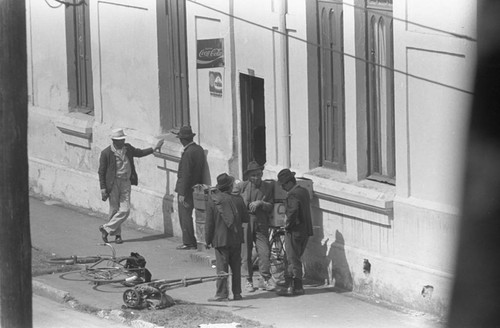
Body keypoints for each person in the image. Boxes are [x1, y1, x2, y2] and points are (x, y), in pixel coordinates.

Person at [98, 128, 163, 244]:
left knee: (125, 210)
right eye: (119, 140)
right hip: (113, 184)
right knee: (114, 209)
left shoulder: (128, 148)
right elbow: (101, 172)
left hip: (125, 182)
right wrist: (103, 188)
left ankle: (106, 229)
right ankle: (117, 235)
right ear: (113, 141)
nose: (122, 141)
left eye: (123, 139)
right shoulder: (106, 153)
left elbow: (139, 153)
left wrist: (153, 149)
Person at [205, 173, 249, 301]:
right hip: (236, 238)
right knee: (236, 267)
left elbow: (209, 224)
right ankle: (237, 293)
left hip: (220, 240)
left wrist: (208, 240)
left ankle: (222, 293)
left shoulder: (213, 201)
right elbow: (246, 218)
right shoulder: (238, 199)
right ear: (230, 186)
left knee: (222, 267)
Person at [233, 161, 276, 292]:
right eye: (253, 175)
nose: (256, 178)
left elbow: (271, 206)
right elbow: (233, 202)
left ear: (262, 173)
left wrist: (261, 203)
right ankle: (248, 279)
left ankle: (266, 278)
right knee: (245, 252)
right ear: (249, 176)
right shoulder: (242, 186)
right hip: (245, 222)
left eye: (258, 174)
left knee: (264, 252)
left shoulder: (268, 187)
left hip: (261, 222)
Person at [277, 168, 313, 296]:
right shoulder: (303, 191)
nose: (282, 187)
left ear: (290, 183)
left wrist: (287, 226)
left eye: (283, 184)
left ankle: (295, 286)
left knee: (292, 259)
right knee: (294, 257)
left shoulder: (293, 195)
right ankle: (293, 284)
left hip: (295, 231)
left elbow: (292, 213)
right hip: (305, 230)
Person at [174, 125, 206, 250]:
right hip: (197, 187)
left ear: (182, 140)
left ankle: (188, 241)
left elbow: (185, 174)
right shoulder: (198, 149)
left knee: (185, 216)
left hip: (186, 190)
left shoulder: (188, 153)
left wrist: (182, 193)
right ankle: (193, 241)